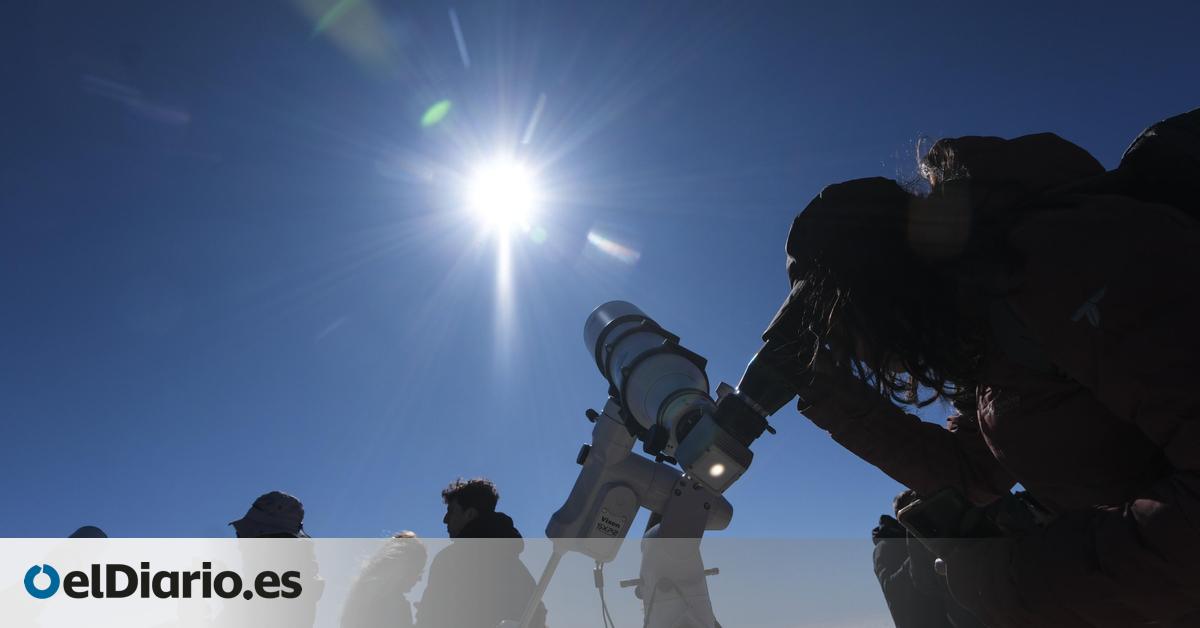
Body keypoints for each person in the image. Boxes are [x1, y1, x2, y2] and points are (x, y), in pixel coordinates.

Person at [762, 126, 1200, 626]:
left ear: (880, 286)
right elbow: (976, 474)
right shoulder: (986, 338)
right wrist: (831, 397)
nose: (853, 350)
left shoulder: (1068, 265)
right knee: (908, 560)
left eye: (843, 326)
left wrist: (1015, 579)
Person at [415, 478, 547, 628]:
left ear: (470, 514)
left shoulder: (451, 559)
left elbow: (429, 618)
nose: (445, 520)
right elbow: (538, 616)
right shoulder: (514, 565)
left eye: (451, 512)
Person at [341, 531, 428, 628]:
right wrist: (423, 620)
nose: (419, 579)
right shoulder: (396, 606)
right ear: (404, 567)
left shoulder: (359, 596)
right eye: (418, 571)